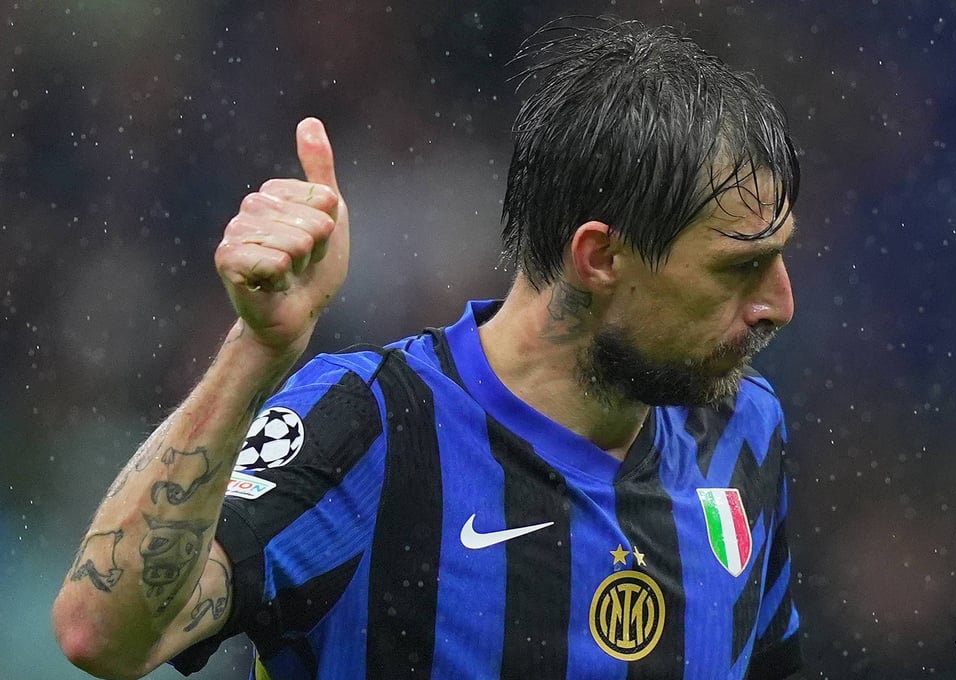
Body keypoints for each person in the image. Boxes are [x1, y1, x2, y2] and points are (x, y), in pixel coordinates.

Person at [52, 19, 804, 680]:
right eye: (739, 267)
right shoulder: (372, 425)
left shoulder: (742, 428)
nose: (779, 303)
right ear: (600, 258)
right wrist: (258, 348)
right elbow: (102, 634)